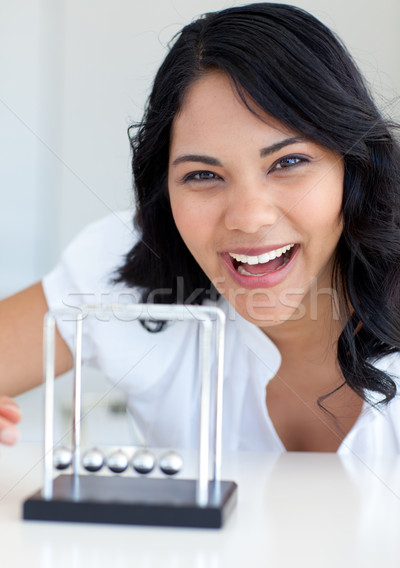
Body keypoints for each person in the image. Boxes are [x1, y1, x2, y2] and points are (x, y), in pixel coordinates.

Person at [0, 3, 399, 454]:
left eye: (289, 163)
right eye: (203, 175)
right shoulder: (126, 266)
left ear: (355, 167)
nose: (249, 217)